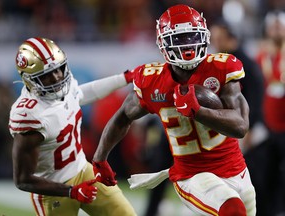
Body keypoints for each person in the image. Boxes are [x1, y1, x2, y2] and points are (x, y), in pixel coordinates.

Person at [92, 4, 256, 216]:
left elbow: (241, 126)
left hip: (236, 169)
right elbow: (123, 117)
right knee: (232, 210)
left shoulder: (222, 68)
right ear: (163, 43)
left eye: (192, 36)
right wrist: (99, 159)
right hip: (192, 175)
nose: (187, 45)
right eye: (179, 39)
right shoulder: (152, 81)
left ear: (204, 36)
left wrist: (198, 111)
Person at [8, 37, 137, 216]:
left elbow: (83, 93)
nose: (56, 78)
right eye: (45, 76)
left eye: (58, 70)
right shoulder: (29, 115)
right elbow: (22, 180)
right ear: (29, 80)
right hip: (53, 191)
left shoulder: (65, 87)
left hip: (84, 170)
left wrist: (127, 77)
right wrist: (71, 191)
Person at [210, 21, 268, 215]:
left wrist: (252, 127)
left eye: (219, 38)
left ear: (230, 38)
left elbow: (257, 95)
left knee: (250, 181)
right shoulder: (222, 61)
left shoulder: (241, 63)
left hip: (247, 129)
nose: (215, 43)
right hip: (234, 127)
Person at [255, 10, 285, 215]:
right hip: (266, 126)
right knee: (264, 176)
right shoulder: (260, 57)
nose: (275, 29)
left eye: (279, 25)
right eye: (272, 26)